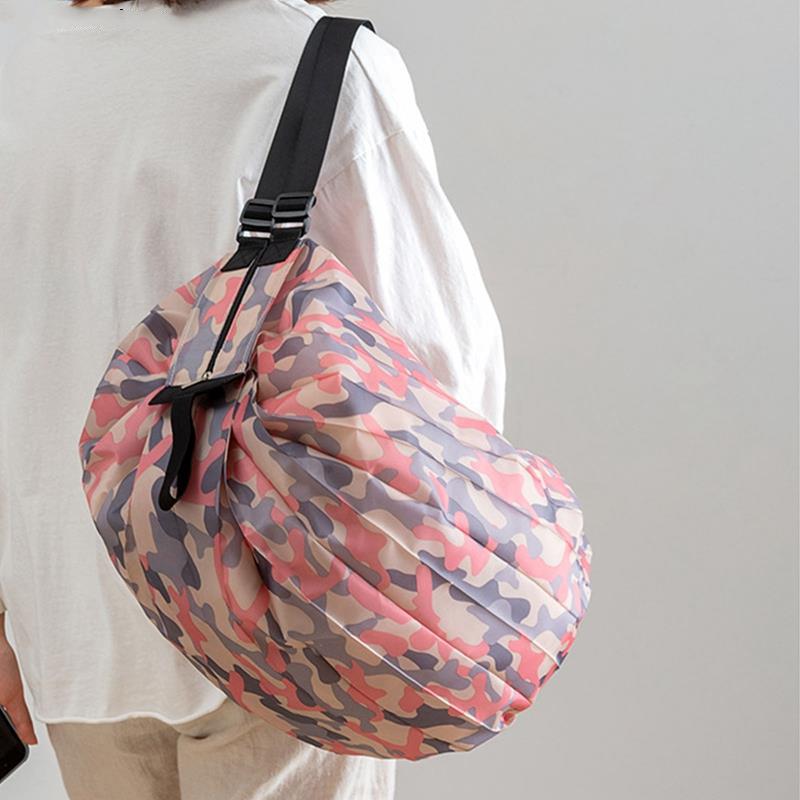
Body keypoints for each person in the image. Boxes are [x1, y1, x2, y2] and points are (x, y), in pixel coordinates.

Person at [0, 0, 507, 797]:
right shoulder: (320, 65)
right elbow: (441, 366)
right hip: (287, 612)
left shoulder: (20, 62)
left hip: (70, 620)